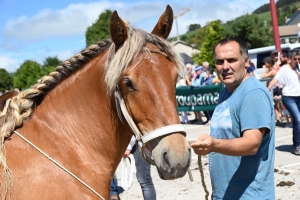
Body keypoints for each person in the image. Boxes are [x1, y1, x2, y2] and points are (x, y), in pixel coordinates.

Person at [190, 37, 275, 199]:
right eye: (220, 61)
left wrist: (214, 144)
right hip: (225, 193)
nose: (225, 67)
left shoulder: (253, 93)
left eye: (232, 60)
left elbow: (252, 144)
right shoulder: (226, 91)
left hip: (249, 195)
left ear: (247, 61)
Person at [267, 50, 300, 155]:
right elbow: (275, 79)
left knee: (296, 122)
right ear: (290, 59)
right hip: (288, 97)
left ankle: (296, 145)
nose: (297, 61)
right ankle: (298, 146)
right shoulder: (284, 69)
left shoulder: (299, 68)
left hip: (299, 96)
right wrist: (266, 90)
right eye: (295, 59)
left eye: (299, 59)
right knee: (298, 120)